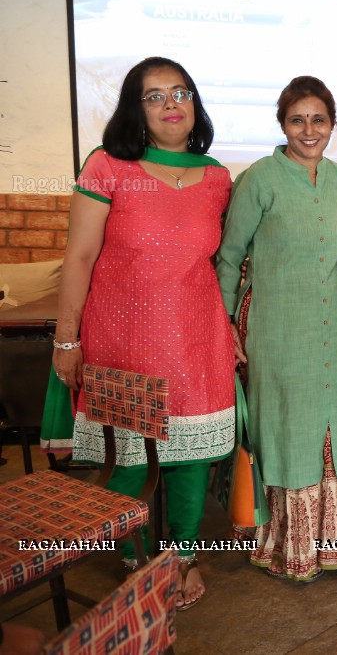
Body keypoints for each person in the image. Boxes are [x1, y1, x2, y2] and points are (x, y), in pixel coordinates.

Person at [50, 56, 235, 610]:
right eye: (154, 96)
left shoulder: (217, 176)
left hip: (198, 338)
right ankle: (136, 555)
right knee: (129, 459)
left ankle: (182, 556)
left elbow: (218, 261)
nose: (171, 103)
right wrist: (66, 339)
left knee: (190, 459)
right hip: (122, 339)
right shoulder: (108, 166)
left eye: (180, 92)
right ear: (136, 109)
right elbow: (79, 257)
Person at [216, 76, 337, 582]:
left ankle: (325, 547)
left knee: (326, 426)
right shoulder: (260, 178)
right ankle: (283, 547)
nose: (308, 129)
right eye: (297, 119)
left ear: (332, 124)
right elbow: (229, 258)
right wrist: (227, 325)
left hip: (330, 331)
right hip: (276, 330)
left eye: (318, 119)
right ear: (282, 124)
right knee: (286, 428)